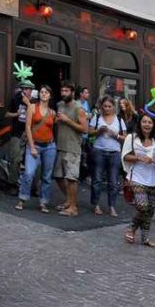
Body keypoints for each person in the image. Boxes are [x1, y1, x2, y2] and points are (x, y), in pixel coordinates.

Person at [122, 114, 155, 247]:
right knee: (142, 206)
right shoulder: (132, 137)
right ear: (140, 123)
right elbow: (125, 156)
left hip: (154, 178)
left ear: (154, 124)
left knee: (150, 210)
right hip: (137, 176)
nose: (147, 125)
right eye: (144, 122)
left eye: (150, 122)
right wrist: (140, 158)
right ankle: (131, 227)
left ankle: (145, 238)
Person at [15, 86, 56, 213]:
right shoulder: (33, 107)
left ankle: (43, 202)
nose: (44, 94)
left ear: (50, 95)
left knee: (47, 176)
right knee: (29, 173)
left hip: (49, 146)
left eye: (46, 92)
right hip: (35, 145)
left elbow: (52, 129)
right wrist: (32, 146)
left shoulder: (52, 112)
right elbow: (27, 127)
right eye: (42, 92)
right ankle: (22, 198)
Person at [54, 82, 88, 218]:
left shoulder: (78, 108)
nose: (64, 93)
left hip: (73, 147)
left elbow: (84, 129)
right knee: (58, 176)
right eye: (62, 90)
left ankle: (73, 207)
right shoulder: (59, 105)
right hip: (60, 145)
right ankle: (69, 200)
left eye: (66, 91)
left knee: (71, 178)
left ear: (72, 92)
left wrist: (67, 120)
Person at [88, 96, 126, 217]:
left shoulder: (119, 120)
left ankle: (112, 206)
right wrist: (99, 131)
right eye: (105, 106)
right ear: (101, 107)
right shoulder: (97, 117)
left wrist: (116, 135)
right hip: (99, 150)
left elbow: (126, 138)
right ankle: (96, 204)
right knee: (97, 179)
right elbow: (89, 132)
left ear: (113, 107)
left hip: (114, 152)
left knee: (113, 181)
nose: (107, 109)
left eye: (110, 106)